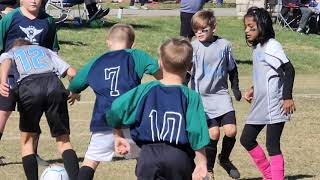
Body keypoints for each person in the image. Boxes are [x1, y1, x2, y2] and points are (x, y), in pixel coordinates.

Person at [68, 23, 162, 180]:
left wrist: (75, 92)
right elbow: (159, 73)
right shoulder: (136, 55)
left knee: (90, 161)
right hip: (131, 119)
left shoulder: (96, 61)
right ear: (132, 43)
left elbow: (76, 83)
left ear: (108, 42)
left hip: (104, 119)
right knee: (144, 160)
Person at [106, 38, 209, 180]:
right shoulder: (191, 96)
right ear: (190, 66)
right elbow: (196, 132)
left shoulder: (144, 90)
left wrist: (117, 134)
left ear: (160, 63)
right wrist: (202, 162)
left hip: (148, 157)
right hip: (179, 157)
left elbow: (116, 109)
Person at [0, 39, 79, 180]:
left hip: (29, 87)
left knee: (27, 141)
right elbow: (72, 72)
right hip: (54, 84)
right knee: (64, 141)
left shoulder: (12, 51)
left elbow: (5, 62)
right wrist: (75, 89)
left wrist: (3, 80)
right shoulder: (45, 50)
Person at [0, 0, 59, 166]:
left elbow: (51, 51)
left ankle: (32, 155)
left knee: (33, 118)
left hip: (35, 79)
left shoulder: (48, 21)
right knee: (2, 114)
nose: (34, 0)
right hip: (10, 76)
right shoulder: (10, 18)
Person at [241, 7, 296, 180]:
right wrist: (253, 88)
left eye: (251, 27)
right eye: (246, 27)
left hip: (274, 104)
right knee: (247, 139)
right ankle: (269, 175)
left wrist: (287, 97)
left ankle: (275, 178)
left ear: (262, 26)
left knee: (272, 144)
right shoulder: (258, 47)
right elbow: (267, 73)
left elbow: (289, 69)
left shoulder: (271, 45)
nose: (247, 31)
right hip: (261, 104)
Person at [189, 10, 241, 180]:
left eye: (203, 30)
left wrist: (235, 88)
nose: (199, 33)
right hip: (202, 98)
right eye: (196, 30)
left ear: (213, 28)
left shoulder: (225, 45)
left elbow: (232, 68)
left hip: (221, 95)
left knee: (231, 131)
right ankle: (209, 169)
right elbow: (187, 73)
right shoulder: (193, 47)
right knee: (213, 134)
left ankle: (224, 159)